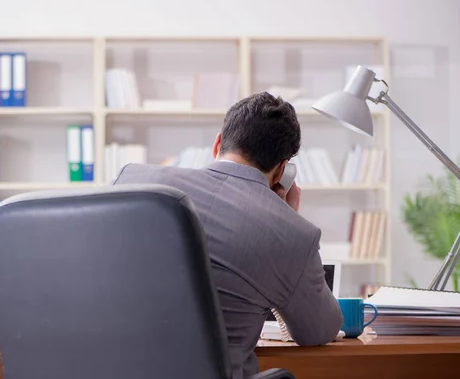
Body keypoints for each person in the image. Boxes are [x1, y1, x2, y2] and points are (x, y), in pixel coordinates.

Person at [111, 92, 343, 379]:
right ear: (283, 170)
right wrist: (286, 218)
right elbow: (319, 331)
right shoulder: (292, 234)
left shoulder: (132, 180)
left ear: (218, 143)